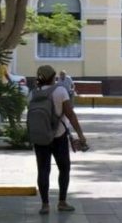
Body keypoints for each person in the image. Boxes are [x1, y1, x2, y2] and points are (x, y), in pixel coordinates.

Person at [32, 65, 86, 215]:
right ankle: (62, 202)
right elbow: (70, 114)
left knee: (43, 170)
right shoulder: (60, 91)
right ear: (53, 76)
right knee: (64, 168)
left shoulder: (33, 93)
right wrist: (81, 135)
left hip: (40, 137)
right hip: (58, 136)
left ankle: (45, 205)